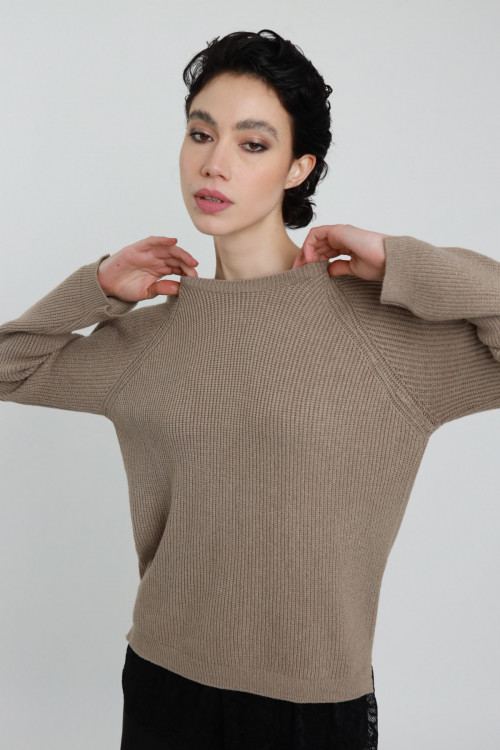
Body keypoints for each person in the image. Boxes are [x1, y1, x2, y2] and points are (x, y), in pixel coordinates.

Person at [1, 27, 499, 750]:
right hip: (165, 686)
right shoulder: (151, 339)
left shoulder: (381, 333)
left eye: (253, 143)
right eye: (201, 134)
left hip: (312, 709)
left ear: (299, 167)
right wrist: (96, 287)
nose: (215, 162)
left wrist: (405, 264)